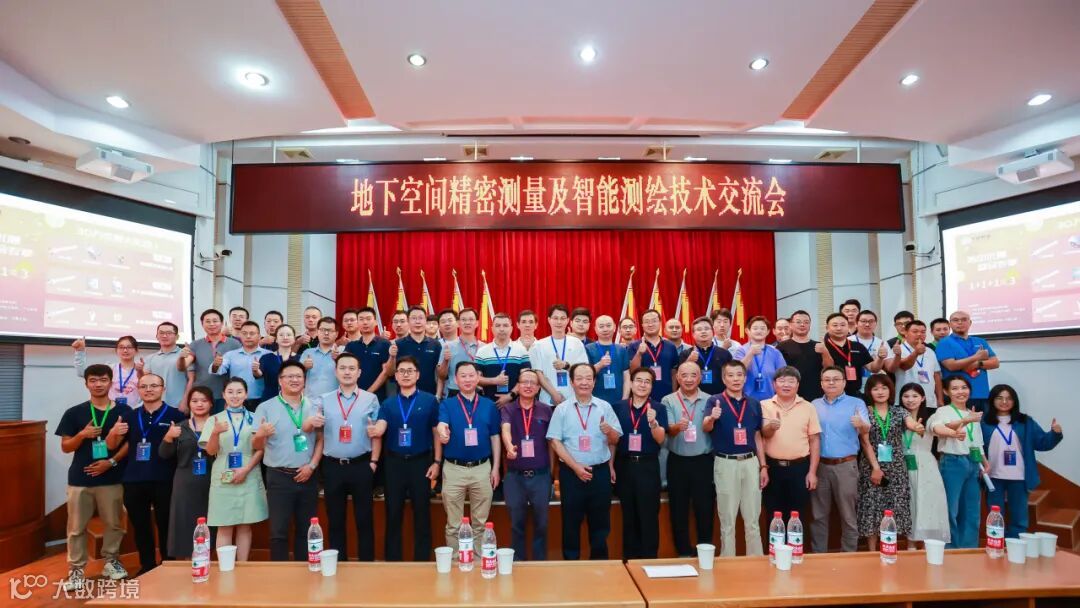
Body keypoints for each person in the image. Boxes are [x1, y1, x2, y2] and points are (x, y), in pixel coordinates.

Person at [56, 364, 131, 590]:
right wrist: (82, 434)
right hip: (80, 479)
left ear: (111, 382)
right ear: (86, 384)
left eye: (103, 380)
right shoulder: (74, 413)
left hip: (112, 477)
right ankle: (76, 570)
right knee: (76, 527)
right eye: (93, 380)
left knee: (114, 524)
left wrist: (111, 462)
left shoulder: (124, 412)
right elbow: (66, 447)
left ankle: (111, 561)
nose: (98, 384)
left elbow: (129, 445)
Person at [105, 373, 186, 574]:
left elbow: (183, 449)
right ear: (138, 390)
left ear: (163, 389)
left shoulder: (177, 416)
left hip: (165, 479)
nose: (149, 390)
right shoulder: (130, 416)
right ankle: (147, 565)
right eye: (144, 386)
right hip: (134, 479)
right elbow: (112, 446)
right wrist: (113, 432)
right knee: (140, 525)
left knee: (166, 523)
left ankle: (168, 564)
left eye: (154, 386)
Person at [547, 363, 622, 559]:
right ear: (572, 382)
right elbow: (555, 442)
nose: (584, 382)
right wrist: (576, 467)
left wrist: (610, 431)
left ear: (594, 382)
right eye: (579, 378)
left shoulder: (605, 407)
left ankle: (599, 565)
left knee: (601, 524)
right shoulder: (562, 409)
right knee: (570, 523)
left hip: (600, 473)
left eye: (589, 378)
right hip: (571, 475)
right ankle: (572, 566)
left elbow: (615, 440)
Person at [373, 356, 442, 561]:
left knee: (422, 514)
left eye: (410, 371)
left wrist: (437, 462)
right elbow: (381, 426)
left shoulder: (429, 401)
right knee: (393, 513)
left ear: (417, 375)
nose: (405, 374)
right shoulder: (388, 403)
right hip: (394, 464)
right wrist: (375, 429)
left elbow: (436, 433)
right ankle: (393, 562)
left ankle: (422, 562)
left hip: (421, 463)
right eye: (401, 371)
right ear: (395, 376)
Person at [253, 361, 323, 561]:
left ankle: (305, 572)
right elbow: (256, 445)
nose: (294, 380)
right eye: (289, 376)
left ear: (304, 381)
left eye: (299, 376)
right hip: (279, 477)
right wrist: (261, 434)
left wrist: (312, 466)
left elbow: (321, 440)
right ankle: (279, 574)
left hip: (307, 475)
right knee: (278, 532)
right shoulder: (265, 407)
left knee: (306, 530)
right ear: (280, 380)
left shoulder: (315, 406)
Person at [315, 352, 380, 561]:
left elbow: (376, 433)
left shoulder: (370, 399)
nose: (347, 372)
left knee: (364, 519)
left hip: (361, 465)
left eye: (352, 368)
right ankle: (338, 564)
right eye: (342, 368)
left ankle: (366, 564)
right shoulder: (324, 400)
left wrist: (373, 462)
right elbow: (318, 434)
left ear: (359, 372)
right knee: (335, 520)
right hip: (332, 466)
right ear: (336, 372)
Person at [981, 384, 1063, 538]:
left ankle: (1015, 545)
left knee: (1019, 518)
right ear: (992, 400)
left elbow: (1042, 443)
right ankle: (996, 544)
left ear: (1014, 401)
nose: (1004, 402)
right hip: (993, 477)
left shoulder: (1025, 421)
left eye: (1009, 398)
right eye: (999, 398)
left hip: (1019, 476)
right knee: (994, 517)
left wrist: (1055, 434)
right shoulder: (984, 422)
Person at [436, 361, 501, 553]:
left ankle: (480, 561)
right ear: (456, 380)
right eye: (463, 376)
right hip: (454, 469)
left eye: (471, 375)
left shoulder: (489, 405)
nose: (467, 379)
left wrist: (496, 468)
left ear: (478, 377)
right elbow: (441, 425)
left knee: (480, 523)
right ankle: (457, 561)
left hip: (482, 468)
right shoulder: (447, 404)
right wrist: (442, 432)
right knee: (454, 524)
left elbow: (495, 437)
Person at [703, 360, 766, 556]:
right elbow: (706, 427)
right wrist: (712, 417)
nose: (735, 379)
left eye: (739, 375)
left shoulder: (754, 403)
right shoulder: (714, 401)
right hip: (726, 462)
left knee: (753, 519)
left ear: (745, 378)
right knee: (727, 519)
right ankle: (728, 562)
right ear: (724, 379)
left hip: (750, 462)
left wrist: (763, 466)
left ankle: (755, 561)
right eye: (730, 375)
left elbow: (757, 436)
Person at [201, 378, 268, 562]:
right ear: (223, 395)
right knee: (224, 525)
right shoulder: (214, 419)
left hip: (249, 471)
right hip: (223, 474)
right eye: (230, 392)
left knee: (245, 525)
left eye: (239, 392)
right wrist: (215, 433)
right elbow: (211, 451)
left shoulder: (255, 418)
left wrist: (245, 470)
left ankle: (243, 566)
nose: (235, 396)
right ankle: (225, 567)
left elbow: (261, 449)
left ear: (246, 394)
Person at [810, 365, 871, 553]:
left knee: (848, 515)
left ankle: (849, 556)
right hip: (819, 465)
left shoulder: (856, 403)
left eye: (836, 379)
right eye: (827, 379)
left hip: (846, 465)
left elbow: (866, 428)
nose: (831, 383)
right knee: (818, 515)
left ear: (844, 382)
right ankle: (818, 555)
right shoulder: (814, 405)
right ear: (821, 383)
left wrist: (862, 425)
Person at [612, 368, 668, 559]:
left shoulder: (658, 408)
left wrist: (654, 424)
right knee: (628, 516)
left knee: (649, 515)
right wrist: (611, 466)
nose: (642, 385)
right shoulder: (618, 407)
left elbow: (661, 439)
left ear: (652, 386)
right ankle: (629, 561)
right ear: (631, 383)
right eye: (639, 380)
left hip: (648, 466)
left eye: (647, 381)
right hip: (624, 465)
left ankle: (650, 559)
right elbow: (613, 441)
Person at [661, 361, 715, 557]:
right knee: (678, 509)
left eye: (693, 375)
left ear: (700, 377)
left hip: (703, 462)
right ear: (677, 378)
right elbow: (668, 430)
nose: (689, 379)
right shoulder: (668, 400)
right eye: (684, 375)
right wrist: (678, 427)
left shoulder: (710, 400)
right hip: (678, 461)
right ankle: (683, 552)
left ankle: (705, 551)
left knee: (705, 509)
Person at [856, 375, 916, 551]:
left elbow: (911, 423)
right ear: (869, 392)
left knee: (895, 505)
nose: (880, 392)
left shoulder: (899, 411)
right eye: (875, 389)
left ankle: (890, 547)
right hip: (871, 465)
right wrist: (876, 468)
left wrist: (917, 427)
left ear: (890, 390)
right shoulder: (865, 412)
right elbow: (865, 442)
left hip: (896, 466)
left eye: (884, 388)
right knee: (872, 507)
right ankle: (872, 550)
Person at [500, 369, 555, 560]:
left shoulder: (546, 410)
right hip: (515, 476)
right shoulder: (508, 409)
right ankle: (518, 563)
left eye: (533, 382)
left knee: (542, 523)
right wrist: (509, 446)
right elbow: (505, 429)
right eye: (524, 382)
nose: (529, 385)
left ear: (539, 388)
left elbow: (552, 444)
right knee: (516, 524)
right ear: (518, 385)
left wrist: (551, 473)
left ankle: (539, 564)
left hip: (541, 476)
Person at [927, 376, 987, 548]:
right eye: (954, 388)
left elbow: (977, 442)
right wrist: (964, 421)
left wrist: (984, 462)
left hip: (973, 462)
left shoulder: (971, 412)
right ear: (946, 392)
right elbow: (938, 428)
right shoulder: (943, 411)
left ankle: (968, 549)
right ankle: (950, 549)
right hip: (952, 462)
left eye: (964, 387)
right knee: (950, 509)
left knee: (971, 510)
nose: (960, 392)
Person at [760, 366, 820, 531]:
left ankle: (795, 547)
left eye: (791, 381)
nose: (786, 385)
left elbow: (814, 440)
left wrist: (812, 472)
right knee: (773, 514)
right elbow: (761, 435)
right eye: (782, 381)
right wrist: (771, 427)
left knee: (797, 514)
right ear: (774, 384)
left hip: (800, 468)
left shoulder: (808, 407)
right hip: (772, 468)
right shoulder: (764, 405)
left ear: (798, 385)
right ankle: (775, 548)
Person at [160, 385, 214, 559]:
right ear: (189, 403)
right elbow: (164, 454)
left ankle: (209, 562)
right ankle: (187, 561)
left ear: (211, 404)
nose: (199, 404)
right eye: (195, 400)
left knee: (211, 523)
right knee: (185, 523)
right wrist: (168, 437)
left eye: (204, 400)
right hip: (185, 483)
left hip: (212, 482)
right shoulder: (179, 427)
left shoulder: (218, 425)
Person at [898, 383, 950, 546]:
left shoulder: (931, 417)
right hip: (902, 465)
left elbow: (938, 428)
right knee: (909, 504)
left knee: (927, 503)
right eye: (906, 396)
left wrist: (954, 430)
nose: (910, 400)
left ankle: (929, 544)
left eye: (915, 396)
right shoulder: (897, 418)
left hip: (926, 465)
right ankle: (910, 544)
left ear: (923, 398)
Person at [935, 310, 999, 412]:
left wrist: (977, 364)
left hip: (981, 393)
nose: (960, 322)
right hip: (957, 395)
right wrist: (976, 357)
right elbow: (951, 365)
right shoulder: (944, 342)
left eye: (964, 320)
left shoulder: (980, 341)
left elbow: (995, 363)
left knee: (981, 422)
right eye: (956, 320)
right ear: (950, 324)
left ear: (970, 323)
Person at [181, 309, 241, 408]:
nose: (211, 324)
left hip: (226, 396)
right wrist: (182, 357)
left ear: (222, 323)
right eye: (208, 321)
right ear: (202, 324)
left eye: (215, 321)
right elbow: (183, 366)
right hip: (201, 396)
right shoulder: (195, 344)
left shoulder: (234, 344)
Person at [529, 304, 589, 405]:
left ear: (568, 320)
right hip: (548, 400)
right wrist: (554, 394)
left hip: (573, 398)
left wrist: (566, 366)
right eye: (555, 318)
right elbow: (538, 374)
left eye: (562, 318)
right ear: (549, 320)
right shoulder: (538, 345)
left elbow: (584, 370)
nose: (559, 322)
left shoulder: (576, 343)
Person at [212, 321, 270, 410]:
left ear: (259, 336)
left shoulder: (268, 355)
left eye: (252, 333)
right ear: (240, 336)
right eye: (244, 333)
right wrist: (216, 365)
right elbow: (219, 370)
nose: (248, 336)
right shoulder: (230, 355)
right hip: (237, 401)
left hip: (262, 401)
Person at [885, 320, 943, 408]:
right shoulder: (898, 349)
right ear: (906, 333)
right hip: (907, 401)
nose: (919, 334)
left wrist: (940, 399)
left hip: (929, 401)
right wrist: (916, 353)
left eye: (923, 332)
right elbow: (903, 366)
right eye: (915, 331)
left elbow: (936, 375)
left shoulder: (930, 351)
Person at [476, 312, 530, 405]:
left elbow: (526, 378)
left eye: (505, 325)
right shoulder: (482, 352)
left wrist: (510, 396)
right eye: (498, 326)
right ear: (492, 329)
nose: (501, 329)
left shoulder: (521, 350)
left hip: (516, 404)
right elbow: (476, 378)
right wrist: (494, 381)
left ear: (511, 328)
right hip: (489, 403)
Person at [73, 335, 142, 408]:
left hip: (135, 411)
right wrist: (79, 352)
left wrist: (141, 372)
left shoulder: (143, 370)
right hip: (111, 410)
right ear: (116, 350)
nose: (125, 350)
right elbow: (82, 373)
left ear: (136, 350)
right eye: (121, 347)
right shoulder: (110, 368)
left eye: (129, 347)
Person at [777, 310, 831, 401]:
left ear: (810, 325)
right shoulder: (782, 346)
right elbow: (777, 372)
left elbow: (829, 368)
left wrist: (825, 352)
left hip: (816, 394)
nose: (802, 325)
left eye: (806, 322)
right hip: (791, 394)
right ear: (791, 325)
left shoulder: (819, 346)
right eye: (798, 322)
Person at [343, 307, 394, 401]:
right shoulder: (351, 346)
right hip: (353, 397)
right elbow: (345, 370)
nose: (365, 322)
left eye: (368, 319)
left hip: (377, 397)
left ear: (375, 322)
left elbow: (386, 372)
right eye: (361, 319)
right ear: (357, 323)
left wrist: (368, 393)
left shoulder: (385, 344)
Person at [630, 309, 681, 400]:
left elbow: (674, 373)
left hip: (667, 396)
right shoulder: (634, 346)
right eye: (647, 322)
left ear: (660, 323)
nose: (650, 324)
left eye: (654, 321)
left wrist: (673, 394)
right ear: (642, 325)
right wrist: (639, 354)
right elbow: (632, 372)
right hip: (642, 396)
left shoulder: (670, 346)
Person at [733, 316, 786, 401]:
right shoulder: (741, 350)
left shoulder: (775, 352)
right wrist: (750, 354)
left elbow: (783, 375)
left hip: (771, 400)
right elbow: (736, 372)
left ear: (768, 331)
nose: (759, 331)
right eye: (755, 328)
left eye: (762, 328)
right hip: (746, 401)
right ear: (748, 331)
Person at [144, 321, 192, 413]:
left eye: (169, 333)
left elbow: (192, 380)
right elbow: (146, 382)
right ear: (157, 336)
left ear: (177, 337)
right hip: (156, 407)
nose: (164, 336)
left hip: (178, 406)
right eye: (161, 333)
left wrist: (185, 402)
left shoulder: (186, 355)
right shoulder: (150, 358)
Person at [395, 306, 444, 396]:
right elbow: (391, 372)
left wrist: (438, 395)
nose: (417, 322)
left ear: (425, 321)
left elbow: (440, 374)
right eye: (414, 318)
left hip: (430, 395)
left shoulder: (435, 345)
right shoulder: (398, 344)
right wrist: (391, 356)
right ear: (408, 321)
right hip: (404, 395)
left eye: (421, 318)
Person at [822, 313, 874, 397]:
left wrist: (880, 358)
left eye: (843, 325)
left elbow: (873, 368)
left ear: (848, 327)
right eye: (835, 325)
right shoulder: (822, 347)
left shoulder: (858, 346)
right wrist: (824, 352)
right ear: (827, 328)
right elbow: (827, 368)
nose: (839, 328)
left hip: (854, 394)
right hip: (830, 394)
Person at [680, 316, 733, 396]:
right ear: (693, 334)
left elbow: (731, 376)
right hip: (694, 398)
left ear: (712, 332)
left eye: (706, 329)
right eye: (699, 329)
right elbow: (680, 378)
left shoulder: (725, 353)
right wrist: (689, 361)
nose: (703, 332)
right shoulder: (686, 354)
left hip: (720, 397)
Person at [586, 314, 631, 406]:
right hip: (595, 400)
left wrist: (625, 399)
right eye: (601, 326)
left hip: (619, 400)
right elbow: (585, 374)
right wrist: (600, 365)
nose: (605, 329)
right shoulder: (588, 348)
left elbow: (626, 377)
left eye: (608, 325)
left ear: (614, 327)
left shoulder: (621, 349)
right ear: (595, 329)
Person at [439, 308, 485, 398]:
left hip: (478, 392)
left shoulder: (484, 347)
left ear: (477, 323)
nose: (467, 323)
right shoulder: (448, 346)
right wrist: (445, 361)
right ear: (458, 323)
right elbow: (441, 376)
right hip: (455, 392)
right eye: (463, 320)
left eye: (471, 320)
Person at [299, 316, 341, 398]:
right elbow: (296, 375)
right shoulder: (307, 353)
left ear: (336, 334)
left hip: (335, 401)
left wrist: (339, 361)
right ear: (317, 332)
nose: (326, 333)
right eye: (322, 330)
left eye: (330, 330)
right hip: (311, 401)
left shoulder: (342, 354)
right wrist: (304, 367)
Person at [258, 324, 300, 402]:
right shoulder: (266, 358)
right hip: (270, 399)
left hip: (293, 400)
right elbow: (258, 375)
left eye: (289, 335)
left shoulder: (300, 359)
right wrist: (255, 370)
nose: (285, 337)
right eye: (281, 335)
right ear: (276, 339)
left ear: (294, 339)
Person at [850, 310, 890, 388]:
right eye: (863, 321)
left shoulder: (882, 343)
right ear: (856, 323)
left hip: (875, 385)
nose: (867, 324)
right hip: (853, 384)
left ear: (876, 324)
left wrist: (880, 358)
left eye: (871, 321)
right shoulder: (849, 341)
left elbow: (889, 367)